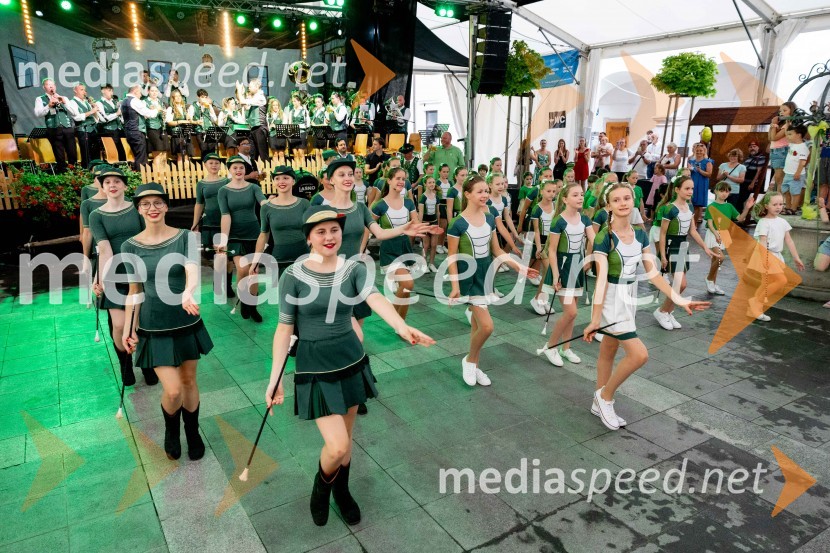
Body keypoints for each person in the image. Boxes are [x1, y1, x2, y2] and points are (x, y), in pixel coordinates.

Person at [265, 206, 435, 527]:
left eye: (334, 230)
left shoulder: (354, 267)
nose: (329, 237)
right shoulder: (293, 276)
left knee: (347, 440)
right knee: (337, 444)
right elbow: (284, 329)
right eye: (321, 232)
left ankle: (341, 491)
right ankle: (321, 487)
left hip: (351, 359)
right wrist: (276, 379)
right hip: (314, 366)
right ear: (309, 239)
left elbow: (373, 298)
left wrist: (401, 326)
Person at [584, 183, 711, 430]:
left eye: (627, 198)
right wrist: (595, 318)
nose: (623, 203)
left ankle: (597, 399)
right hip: (611, 299)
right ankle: (605, 397)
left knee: (608, 350)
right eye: (616, 200)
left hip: (628, 296)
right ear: (608, 205)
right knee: (639, 354)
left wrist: (679, 298)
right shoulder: (604, 237)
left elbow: (653, 275)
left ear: (633, 200)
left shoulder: (640, 235)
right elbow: (601, 280)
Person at [122, 182, 213, 461]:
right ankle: (171, 430)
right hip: (153, 325)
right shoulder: (130, 246)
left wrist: (188, 291)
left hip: (185, 320)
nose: (153, 208)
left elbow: (192, 268)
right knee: (172, 390)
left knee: (188, 381)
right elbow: (134, 291)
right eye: (146, 204)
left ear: (166, 206)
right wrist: (128, 329)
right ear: (138, 209)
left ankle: (193, 431)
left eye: (158, 203)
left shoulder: (185, 236)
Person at [447, 175, 538, 386]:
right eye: (479, 191)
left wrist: (520, 267)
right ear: (467, 194)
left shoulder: (489, 218)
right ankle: (469, 361)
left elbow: (496, 250)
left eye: (486, 190)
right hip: (467, 279)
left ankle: (474, 365)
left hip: (485, 276)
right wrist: (454, 286)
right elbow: (452, 257)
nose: (485, 194)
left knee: (477, 327)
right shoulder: (457, 223)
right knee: (487, 327)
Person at [89, 167, 154, 386]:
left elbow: (148, 237)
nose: (113, 185)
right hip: (115, 273)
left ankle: (146, 363)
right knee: (119, 325)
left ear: (125, 186)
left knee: (142, 323)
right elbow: (104, 250)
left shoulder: (137, 209)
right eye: (107, 182)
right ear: (102, 186)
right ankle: (125, 362)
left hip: (141, 270)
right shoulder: (96, 215)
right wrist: (99, 279)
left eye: (117, 181)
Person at [538, 182, 595, 365]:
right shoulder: (559, 221)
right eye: (575, 195)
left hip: (577, 266)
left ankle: (566, 348)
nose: (580, 198)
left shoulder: (585, 219)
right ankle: (551, 346)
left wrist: (590, 258)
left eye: (581, 194)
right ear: (564, 199)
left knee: (573, 314)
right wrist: (555, 275)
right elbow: (552, 250)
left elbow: (594, 240)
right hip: (562, 268)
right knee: (571, 312)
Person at [653, 176, 717, 331]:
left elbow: (693, 231)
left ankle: (667, 311)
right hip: (671, 245)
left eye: (692, 189)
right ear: (677, 190)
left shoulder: (689, 207)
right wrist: (662, 255)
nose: (690, 191)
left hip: (682, 246)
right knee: (681, 284)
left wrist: (706, 248)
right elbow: (662, 234)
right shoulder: (670, 209)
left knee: (679, 285)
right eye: (687, 188)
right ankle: (662, 311)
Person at [216, 155, 270, 322]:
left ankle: (251, 305)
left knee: (253, 271)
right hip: (235, 236)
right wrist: (224, 241)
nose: (238, 170)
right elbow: (225, 216)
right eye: (235, 168)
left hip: (254, 234)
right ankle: (244, 298)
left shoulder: (253, 188)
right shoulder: (223, 191)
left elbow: (264, 204)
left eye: (241, 168)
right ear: (229, 170)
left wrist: (272, 203)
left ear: (245, 169)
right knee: (242, 269)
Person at [748, 192, 805, 321]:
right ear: (767, 205)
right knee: (781, 280)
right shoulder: (763, 222)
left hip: (776, 255)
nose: (778, 207)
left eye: (781, 204)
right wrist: (765, 260)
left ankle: (754, 308)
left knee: (765, 283)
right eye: (775, 204)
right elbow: (762, 242)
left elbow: (789, 240)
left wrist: (796, 257)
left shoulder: (783, 222)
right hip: (765, 254)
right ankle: (756, 303)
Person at [371, 167, 419, 320]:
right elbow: (369, 226)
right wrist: (361, 248)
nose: (401, 182)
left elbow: (415, 224)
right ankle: (391, 312)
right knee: (408, 284)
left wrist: (427, 228)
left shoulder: (409, 203)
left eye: (403, 179)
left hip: (406, 248)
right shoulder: (380, 205)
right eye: (397, 178)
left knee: (405, 289)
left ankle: (400, 323)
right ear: (389, 180)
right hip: (389, 249)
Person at [252, 166, 311, 277]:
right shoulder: (266, 208)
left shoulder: (304, 204)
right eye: (277, 178)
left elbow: (313, 231)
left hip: (305, 258)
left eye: (285, 178)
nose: (281, 181)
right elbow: (263, 235)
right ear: (273, 182)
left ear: (293, 181)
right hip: (280, 260)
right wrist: (255, 262)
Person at [192, 153, 233, 295]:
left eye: (217, 163)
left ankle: (227, 286)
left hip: (226, 224)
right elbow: (199, 203)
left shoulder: (226, 182)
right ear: (205, 165)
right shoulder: (201, 184)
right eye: (211, 163)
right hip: (209, 224)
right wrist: (195, 222)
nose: (214, 165)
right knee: (217, 255)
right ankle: (217, 283)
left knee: (226, 256)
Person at [704, 182, 754, 295]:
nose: (724, 194)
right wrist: (716, 234)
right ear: (715, 191)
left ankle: (713, 283)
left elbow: (740, 218)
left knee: (716, 261)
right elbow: (710, 223)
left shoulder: (729, 206)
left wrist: (747, 208)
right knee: (720, 257)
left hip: (724, 234)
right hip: (713, 234)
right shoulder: (711, 206)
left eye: (727, 191)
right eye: (722, 191)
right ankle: (709, 279)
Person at [33, 79, 77, 173]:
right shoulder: (40, 99)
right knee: (59, 154)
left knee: (72, 152)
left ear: (55, 86)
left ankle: (74, 172)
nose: (51, 87)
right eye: (48, 85)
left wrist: (64, 102)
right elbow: (37, 114)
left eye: (52, 85)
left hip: (67, 128)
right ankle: (63, 174)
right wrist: (48, 106)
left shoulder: (63, 97)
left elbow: (74, 113)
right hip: (54, 129)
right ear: (44, 87)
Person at [528, 181, 558, 316]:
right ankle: (536, 299)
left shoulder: (556, 206)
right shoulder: (537, 208)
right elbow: (536, 230)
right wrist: (539, 248)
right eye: (548, 191)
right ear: (541, 192)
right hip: (542, 242)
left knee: (550, 274)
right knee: (548, 272)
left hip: (552, 242)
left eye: (554, 191)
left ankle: (543, 300)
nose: (551, 194)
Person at [121, 84, 159, 170]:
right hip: (136, 131)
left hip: (129, 131)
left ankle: (139, 176)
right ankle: (141, 177)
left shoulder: (124, 101)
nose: (141, 95)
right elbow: (149, 114)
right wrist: (157, 109)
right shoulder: (134, 100)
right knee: (141, 156)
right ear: (135, 92)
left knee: (137, 155)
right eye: (140, 93)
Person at [69, 83, 101, 169]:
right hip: (83, 130)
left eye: (85, 90)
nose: (84, 92)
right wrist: (91, 111)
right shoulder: (72, 102)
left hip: (93, 129)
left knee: (96, 152)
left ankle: (97, 170)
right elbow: (77, 117)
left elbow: (96, 119)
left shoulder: (87, 102)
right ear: (75, 91)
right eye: (81, 90)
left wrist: (95, 110)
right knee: (86, 153)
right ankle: (87, 171)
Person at [768, 102, 798, 192]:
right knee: (777, 178)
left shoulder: (788, 124)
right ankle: (779, 197)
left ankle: (781, 199)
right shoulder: (780, 124)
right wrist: (773, 126)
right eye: (780, 111)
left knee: (779, 178)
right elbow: (770, 138)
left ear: (791, 111)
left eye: (785, 110)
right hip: (774, 151)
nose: (781, 112)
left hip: (781, 151)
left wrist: (773, 125)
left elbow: (774, 137)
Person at [238, 79, 269, 164]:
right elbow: (246, 106)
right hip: (253, 128)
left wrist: (239, 91)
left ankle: (267, 172)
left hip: (260, 127)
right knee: (252, 153)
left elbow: (242, 101)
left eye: (251, 86)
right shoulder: (255, 97)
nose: (249, 88)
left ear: (257, 86)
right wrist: (241, 93)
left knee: (263, 154)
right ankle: (254, 173)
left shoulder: (260, 97)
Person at [782, 125, 809, 214]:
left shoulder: (803, 147)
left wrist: (798, 172)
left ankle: (793, 209)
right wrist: (787, 125)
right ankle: (788, 207)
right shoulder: (792, 144)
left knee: (795, 192)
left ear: (798, 135)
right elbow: (786, 134)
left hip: (796, 174)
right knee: (786, 190)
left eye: (790, 134)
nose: (788, 136)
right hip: (788, 173)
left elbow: (802, 162)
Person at [166, 89, 197, 163]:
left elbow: (189, 119)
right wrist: (181, 121)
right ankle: (180, 173)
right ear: (173, 98)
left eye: (179, 96)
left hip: (185, 132)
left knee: (186, 155)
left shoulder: (184, 108)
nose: (178, 97)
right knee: (180, 156)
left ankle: (187, 173)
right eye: (176, 96)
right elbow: (169, 122)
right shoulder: (171, 109)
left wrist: (190, 119)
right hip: (177, 134)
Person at [96, 84, 126, 162]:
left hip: (119, 130)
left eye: (112, 91)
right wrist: (116, 114)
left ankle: (123, 170)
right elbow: (103, 119)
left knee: (122, 153)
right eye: (109, 90)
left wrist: (121, 117)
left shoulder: (114, 102)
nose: (111, 93)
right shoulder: (99, 103)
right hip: (108, 131)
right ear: (102, 91)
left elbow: (120, 115)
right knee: (113, 153)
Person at [418, 175, 441, 271]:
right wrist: (419, 226)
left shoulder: (436, 197)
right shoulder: (423, 197)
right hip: (425, 224)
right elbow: (421, 212)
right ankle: (424, 264)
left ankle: (431, 264)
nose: (432, 184)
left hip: (434, 223)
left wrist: (438, 225)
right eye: (429, 182)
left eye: (433, 182)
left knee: (434, 245)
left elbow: (438, 212)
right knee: (426, 245)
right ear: (425, 184)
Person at [687, 143, 713, 224]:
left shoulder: (708, 162)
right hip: (692, 183)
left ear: (704, 151)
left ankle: (694, 224)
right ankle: (688, 222)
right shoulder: (691, 161)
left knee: (698, 205)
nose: (698, 152)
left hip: (701, 184)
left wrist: (700, 171)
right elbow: (687, 171)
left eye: (700, 151)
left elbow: (709, 174)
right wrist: (688, 170)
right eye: (697, 150)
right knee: (691, 204)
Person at [144, 86, 168, 170]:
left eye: (156, 91)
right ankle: (158, 175)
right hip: (151, 128)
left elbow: (163, 116)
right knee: (157, 153)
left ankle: (165, 174)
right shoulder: (145, 102)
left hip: (162, 128)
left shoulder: (160, 102)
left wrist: (164, 114)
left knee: (164, 153)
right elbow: (144, 116)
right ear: (148, 92)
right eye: (152, 91)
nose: (154, 93)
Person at [742, 141, 768, 214]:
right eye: (750, 147)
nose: (752, 148)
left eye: (754, 146)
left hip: (751, 184)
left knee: (749, 201)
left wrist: (752, 183)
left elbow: (759, 172)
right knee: (741, 200)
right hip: (744, 182)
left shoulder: (761, 158)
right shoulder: (748, 158)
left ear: (758, 148)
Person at [192, 89, 219, 157]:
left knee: (212, 152)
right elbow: (189, 119)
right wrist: (196, 122)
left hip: (209, 131)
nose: (204, 99)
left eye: (205, 97)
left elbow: (215, 120)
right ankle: (204, 166)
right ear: (198, 97)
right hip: (200, 131)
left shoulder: (208, 106)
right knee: (204, 150)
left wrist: (209, 106)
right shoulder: (193, 106)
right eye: (202, 97)